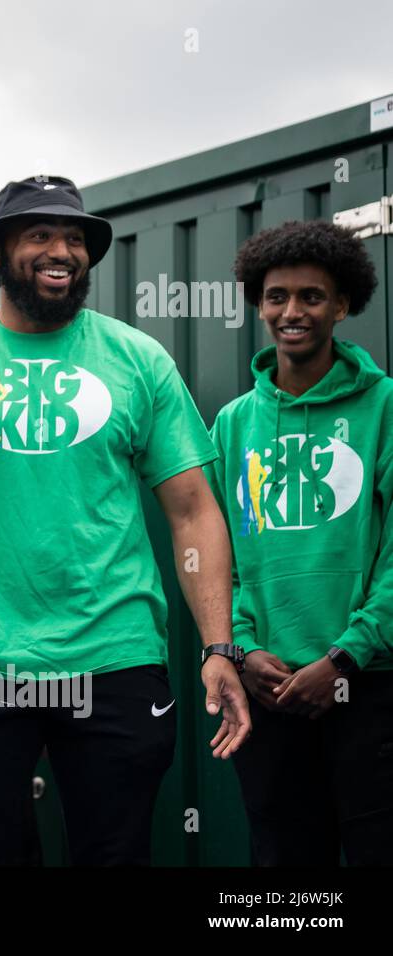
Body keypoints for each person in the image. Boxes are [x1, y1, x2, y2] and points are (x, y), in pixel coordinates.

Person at [0, 175, 252, 866]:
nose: (61, 249)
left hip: (113, 658)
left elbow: (193, 512)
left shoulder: (137, 360)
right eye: (39, 235)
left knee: (116, 855)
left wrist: (219, 646)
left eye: (74, 237)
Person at [208, 220, 393, 865]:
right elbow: (217, 554)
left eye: (312, 297)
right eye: (277, 296)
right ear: (259, 305)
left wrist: (346, 658)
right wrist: (243, 646)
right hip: (268, 688)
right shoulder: (233, 424)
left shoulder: (385, 407)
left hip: (368, 685)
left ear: (342, 305)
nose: (293, 312)